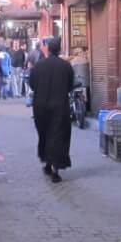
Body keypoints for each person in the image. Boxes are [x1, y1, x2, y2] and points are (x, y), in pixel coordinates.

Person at [28, 37, 73, 183]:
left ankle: (47, 162)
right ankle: (55, 168)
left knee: (45, 134)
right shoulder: (66, 66)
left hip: (40, 106)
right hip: (59, 105)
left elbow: (32, 84)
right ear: (59, 49)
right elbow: (70, 86)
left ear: (47, 49)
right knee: (58, 135)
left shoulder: (38, 66)